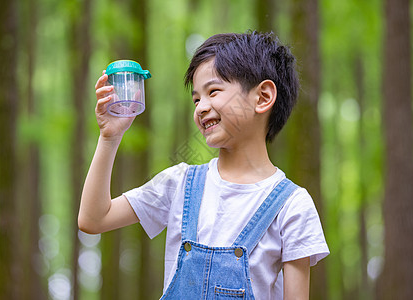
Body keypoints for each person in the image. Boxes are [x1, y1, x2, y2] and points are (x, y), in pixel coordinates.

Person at [79, 31, 329, 299]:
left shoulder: (292, 205)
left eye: (213, 91)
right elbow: (94, 219)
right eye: (196, 99)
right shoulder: (179, 184)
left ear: (263, 97)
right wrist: (110, 136)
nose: (200, 108)